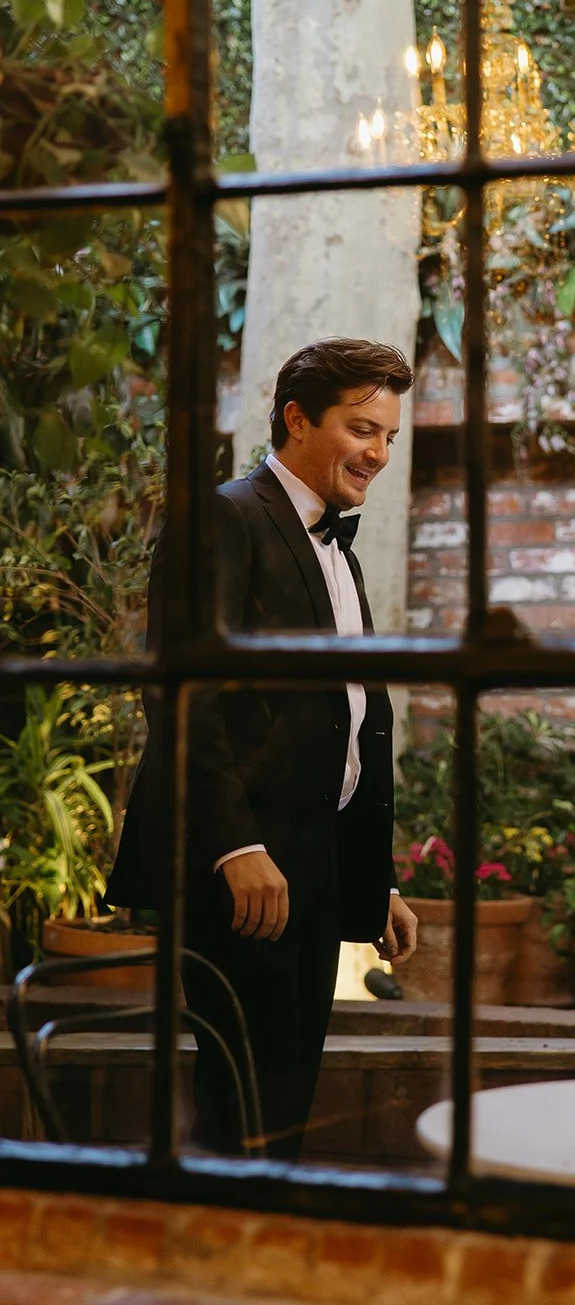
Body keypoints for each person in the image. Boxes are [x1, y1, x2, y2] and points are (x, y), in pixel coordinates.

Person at [108, 338, 418, 1160]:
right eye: (361, 430)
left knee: (283, 1101)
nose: (378, 454)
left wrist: (370, 872)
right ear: (295, 418)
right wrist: (235, 844)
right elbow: (181, 693)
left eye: (388, 435)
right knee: (239, 1102)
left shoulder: (334, 544)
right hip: (239, 869)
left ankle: (257, 1261)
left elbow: (345, 720)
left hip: (315, 869)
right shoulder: (225, 516)